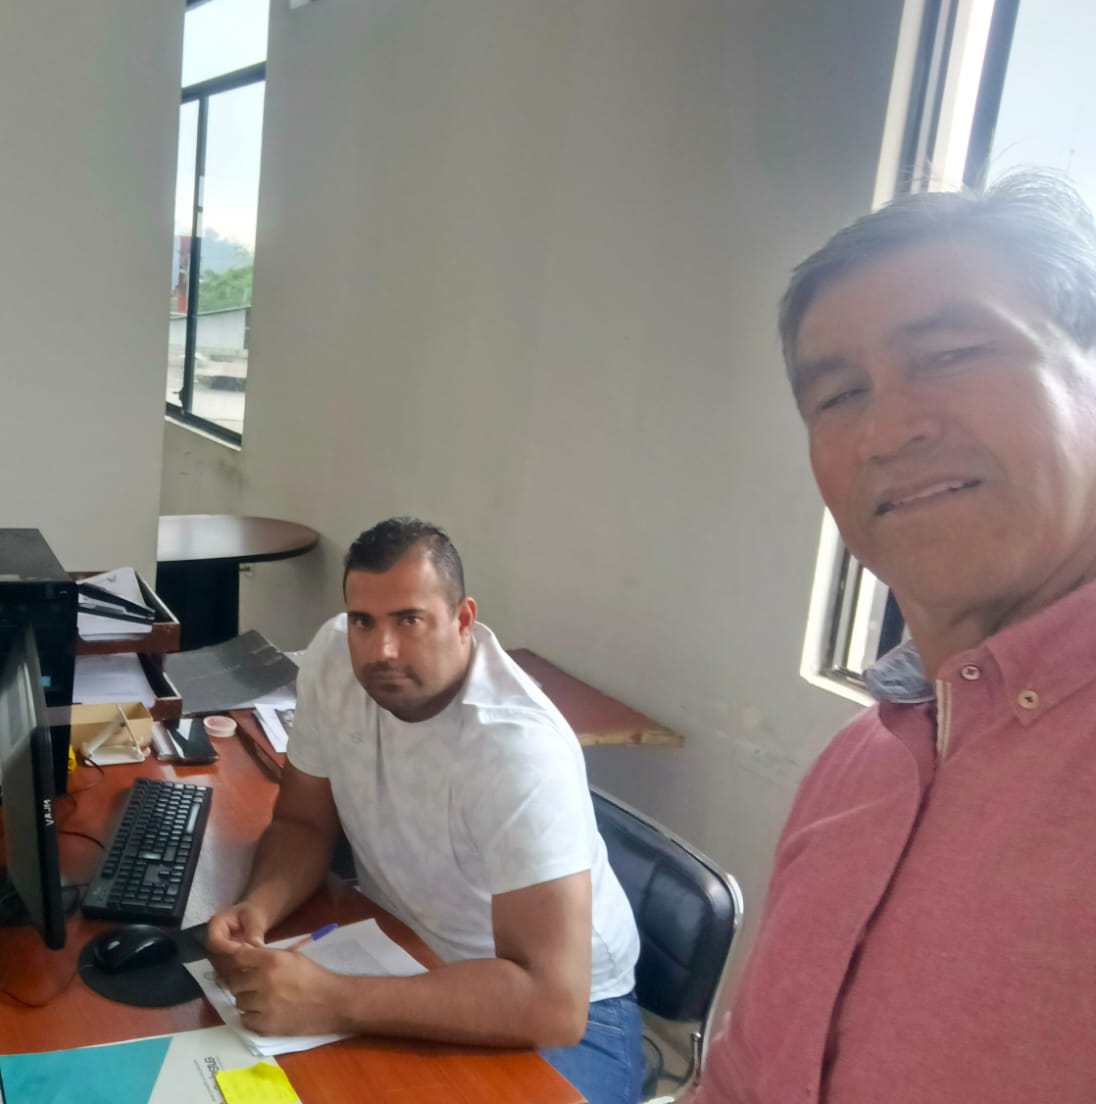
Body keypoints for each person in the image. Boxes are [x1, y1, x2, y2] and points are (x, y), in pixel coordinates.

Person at [693, 171, 1096, 1102]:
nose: (886, 431)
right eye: (838, 397)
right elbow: (745, 1081)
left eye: (952, 354)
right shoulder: (859, 764)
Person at [206, 517, 643, 1104]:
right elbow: (303, 823)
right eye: (363, 621)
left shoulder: (516, 751)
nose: (381, 650)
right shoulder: (334, 658)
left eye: (409, 620)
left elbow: (551, 1004)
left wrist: (334, 999)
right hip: (406, 953)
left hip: (569, 1016)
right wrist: (257, 909)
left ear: (463, 620)